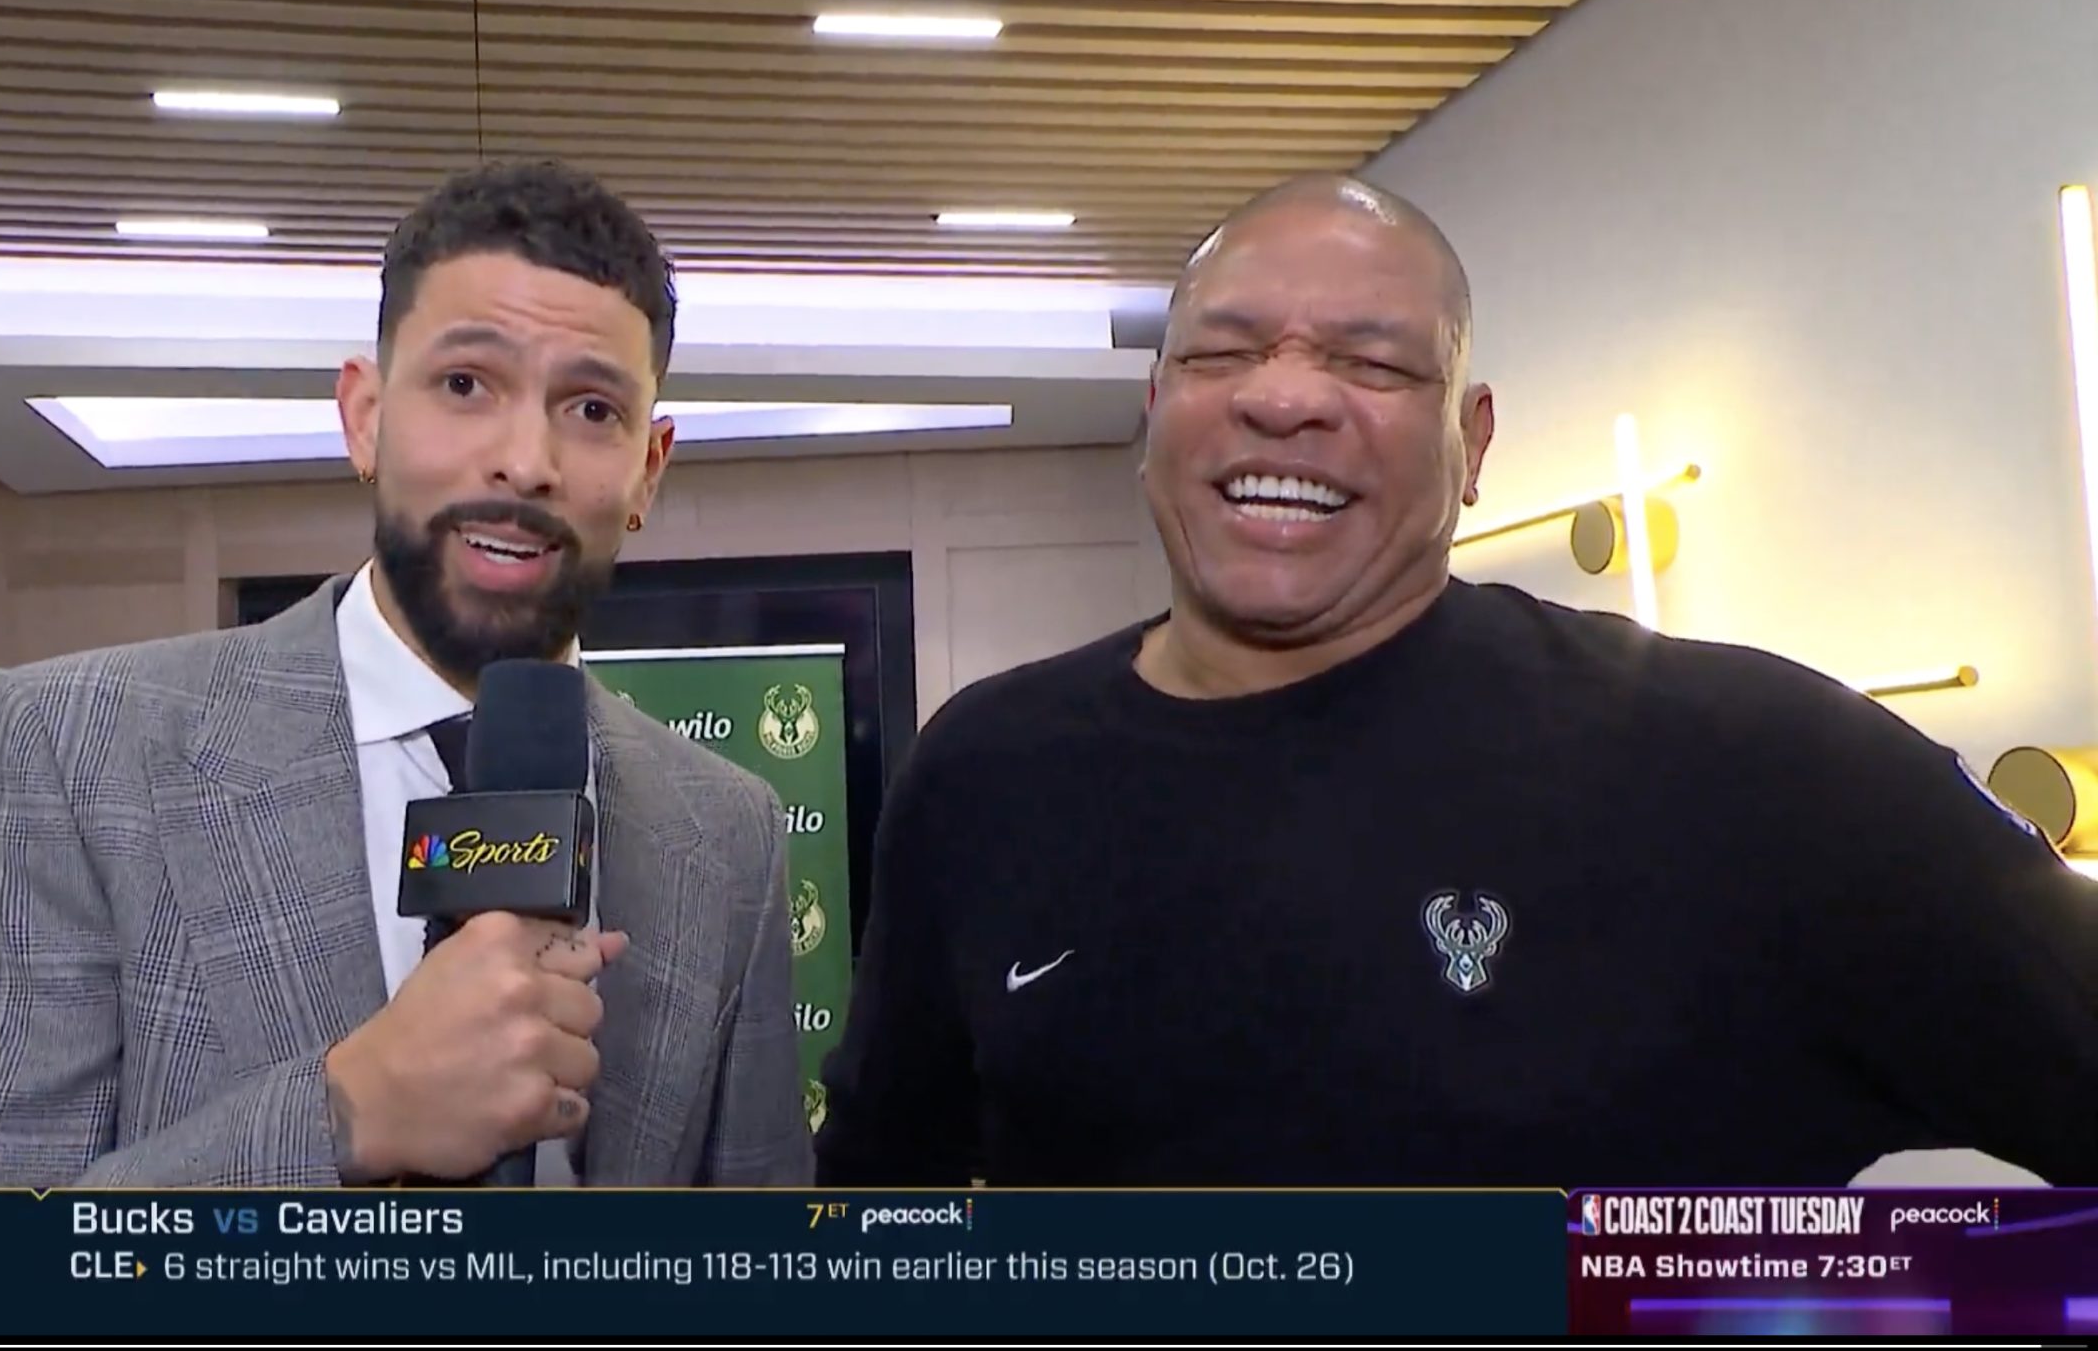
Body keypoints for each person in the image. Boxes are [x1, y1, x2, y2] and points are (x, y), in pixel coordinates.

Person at [814, 173, 2098, 1190]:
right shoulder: (986, 768)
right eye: (1225, 353)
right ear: (1155, 411)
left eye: (1372, 363)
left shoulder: (1757, 762)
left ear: (1471, 440)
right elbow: (881, 1210)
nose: (1286, 399)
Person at [0, 162, 811, 1188]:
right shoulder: (67, 750)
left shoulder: (725, 831)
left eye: (592, 409)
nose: (526, 460)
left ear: (650, 469)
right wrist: (342, 1112)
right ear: (365, 417)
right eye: (466, 384)